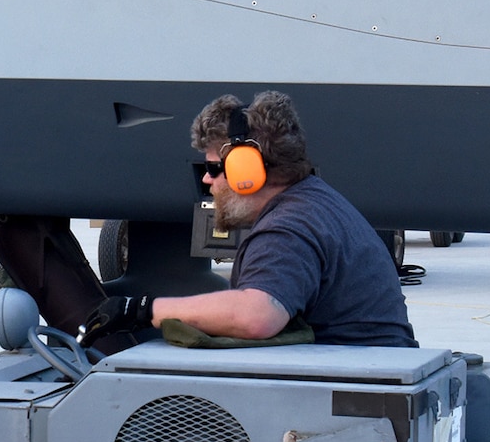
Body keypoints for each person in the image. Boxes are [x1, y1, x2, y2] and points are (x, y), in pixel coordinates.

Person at [82, 91, 415, 348]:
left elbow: (257, 316)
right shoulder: (313, 200)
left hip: (353, 399)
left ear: (247, 170)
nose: (206, 181)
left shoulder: (288, 226)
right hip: (365, 383)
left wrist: (141, 310)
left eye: (213, 168)